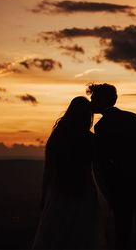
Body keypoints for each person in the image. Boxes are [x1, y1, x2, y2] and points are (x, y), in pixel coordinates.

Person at [87, 83, 136, 249]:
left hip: (121, 187)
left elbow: (104, 162)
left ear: (103, 100)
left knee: (122, 232)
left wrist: (109, 190)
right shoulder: (133, 118)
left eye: (94, 98)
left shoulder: (102, 126)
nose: (91, 101)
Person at [32, 96, 105, 249]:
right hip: (83, 191)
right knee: (82, 236)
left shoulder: (58, 136)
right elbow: (98, 169)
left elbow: (49, 169)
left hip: (59, 190)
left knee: (57, 236)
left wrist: (44, 195)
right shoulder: (90, 139)